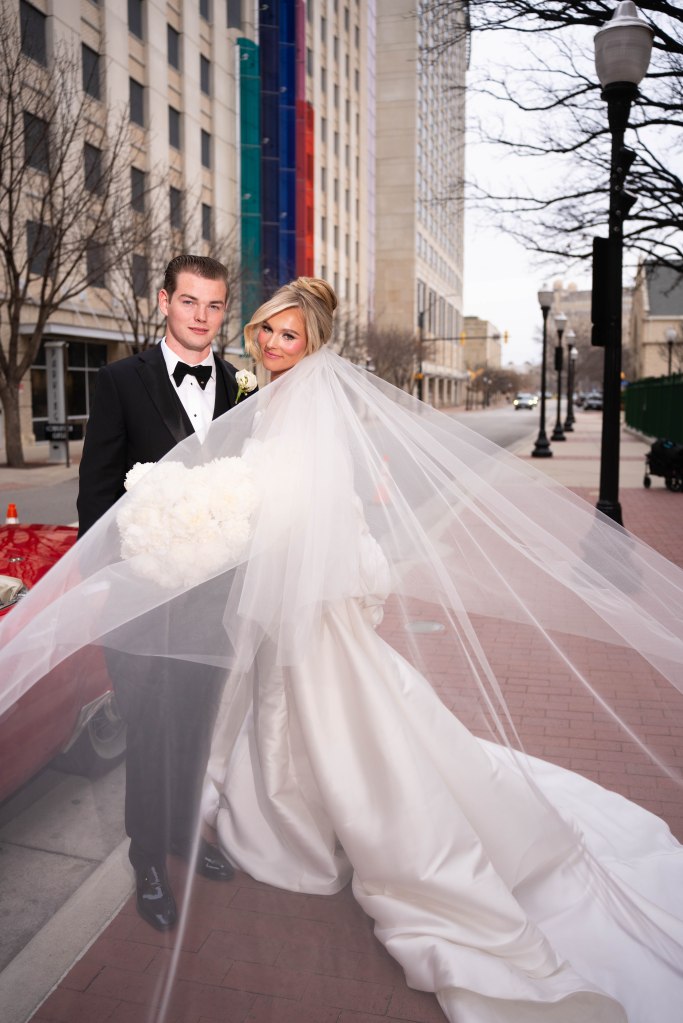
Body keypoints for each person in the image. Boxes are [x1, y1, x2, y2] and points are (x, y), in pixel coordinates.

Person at [1, 278, 682, 1020]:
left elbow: (306, 513)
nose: (269, 343)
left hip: (291, 606)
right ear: (174, 304)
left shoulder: (295, 406)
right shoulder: (243, 390)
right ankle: (158, 851)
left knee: (325, 723)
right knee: (224, 719)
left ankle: (352, 838)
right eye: (265, 329)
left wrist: (223, 531)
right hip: (216, 598)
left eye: (287, 335)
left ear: (314, 344)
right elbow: (114, 488)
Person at [76, 254, 243, 931]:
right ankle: (146, 856)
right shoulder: (120, 380)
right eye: (188, 301)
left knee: (196, 727)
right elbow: (96, 491)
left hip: (215, 601)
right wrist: (113, 579)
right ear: (162, 302)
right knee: (148, 730)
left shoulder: (241, 383)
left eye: (213, 305)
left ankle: (180, 833)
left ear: (223, 312)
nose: (200, 316)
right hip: (141, 600)